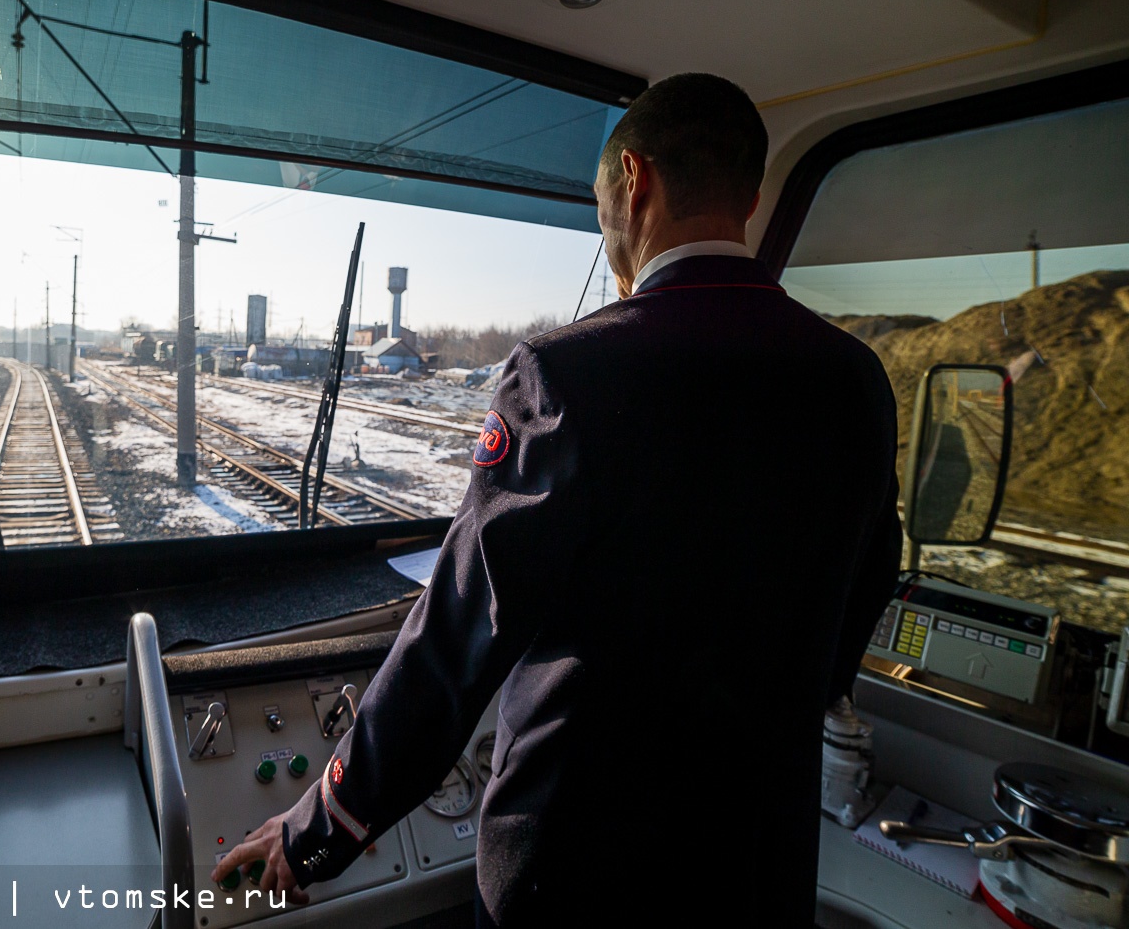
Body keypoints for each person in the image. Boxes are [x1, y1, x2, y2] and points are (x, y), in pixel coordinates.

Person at [213, 73, 902, 926]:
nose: (603, 224)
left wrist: (321, 822)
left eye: (600, 200)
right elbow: (862, 594)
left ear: (634, 181)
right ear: (754, 197)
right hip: (757, 869)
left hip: (579, 878)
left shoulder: (569, 372)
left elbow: (460, 633)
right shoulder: (854, 380)